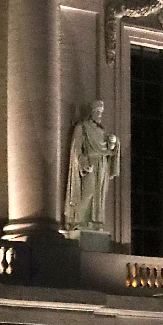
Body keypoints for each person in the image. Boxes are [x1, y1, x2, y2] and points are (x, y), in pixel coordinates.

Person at [64, 99, 120, 233]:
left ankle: (95, 222)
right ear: (91, 112)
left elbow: (107, 150)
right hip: (90, 164)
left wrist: (113, 143)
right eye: (97, 112)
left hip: (102, 165)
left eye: (101, 112)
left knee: (98, 195)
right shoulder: (82, 127)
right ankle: (78, 221)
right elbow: (76, 148)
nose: (100, 115)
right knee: (87, 192)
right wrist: (83, 162)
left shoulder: (102, 132)